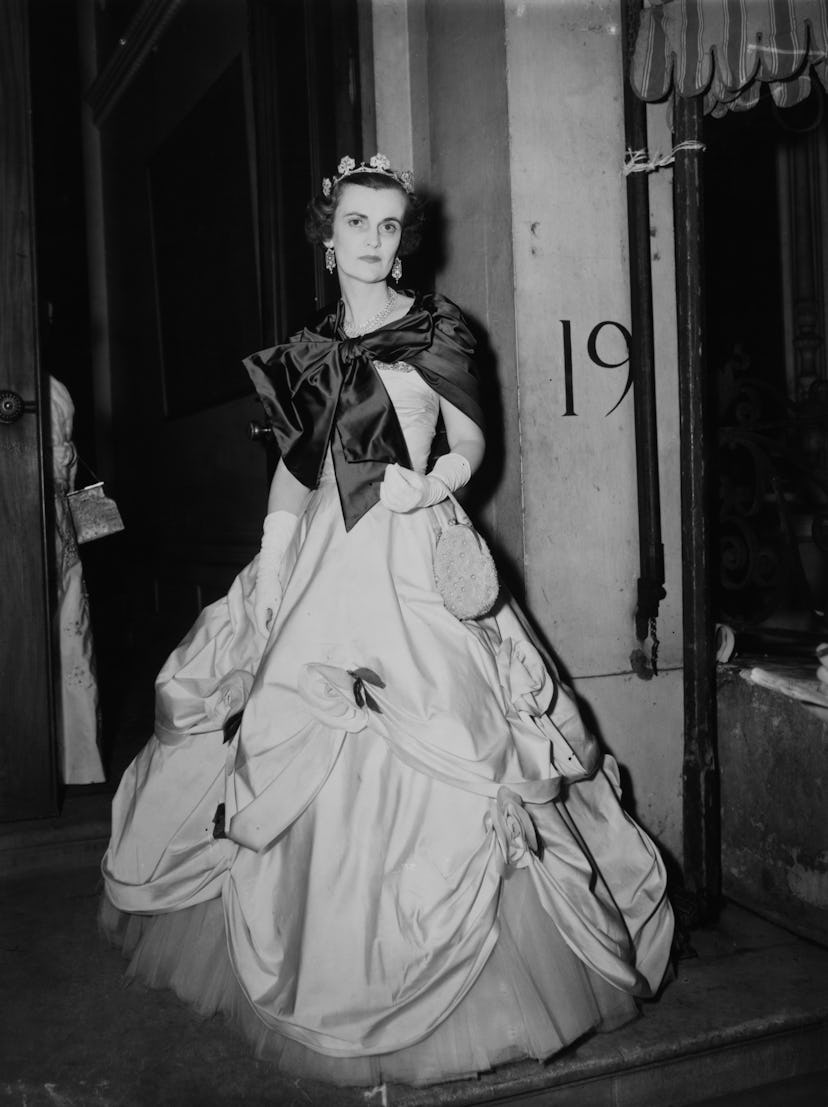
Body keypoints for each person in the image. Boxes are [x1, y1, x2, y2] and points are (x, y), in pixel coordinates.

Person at [100, 154, 674, 1088]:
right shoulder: (304, 351)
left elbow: (472, 436)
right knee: (289, 725)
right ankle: (322, 958)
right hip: (327, 547)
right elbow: (296, 465)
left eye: (389, 225)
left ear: (404, 237)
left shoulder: (437, 326)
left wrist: (437, 480)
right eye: (357, 223)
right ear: (327, 238)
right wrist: (277, 559)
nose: (374, 240)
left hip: (412, 535)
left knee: (456, 729)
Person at [50, 375, 105, 785]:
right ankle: (75, 760)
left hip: (49, 515)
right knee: (67, 628)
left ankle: (74, 760)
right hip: (53, 514)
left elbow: (62, 459)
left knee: (66, 624)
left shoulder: (47, 389)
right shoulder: (53, 390)